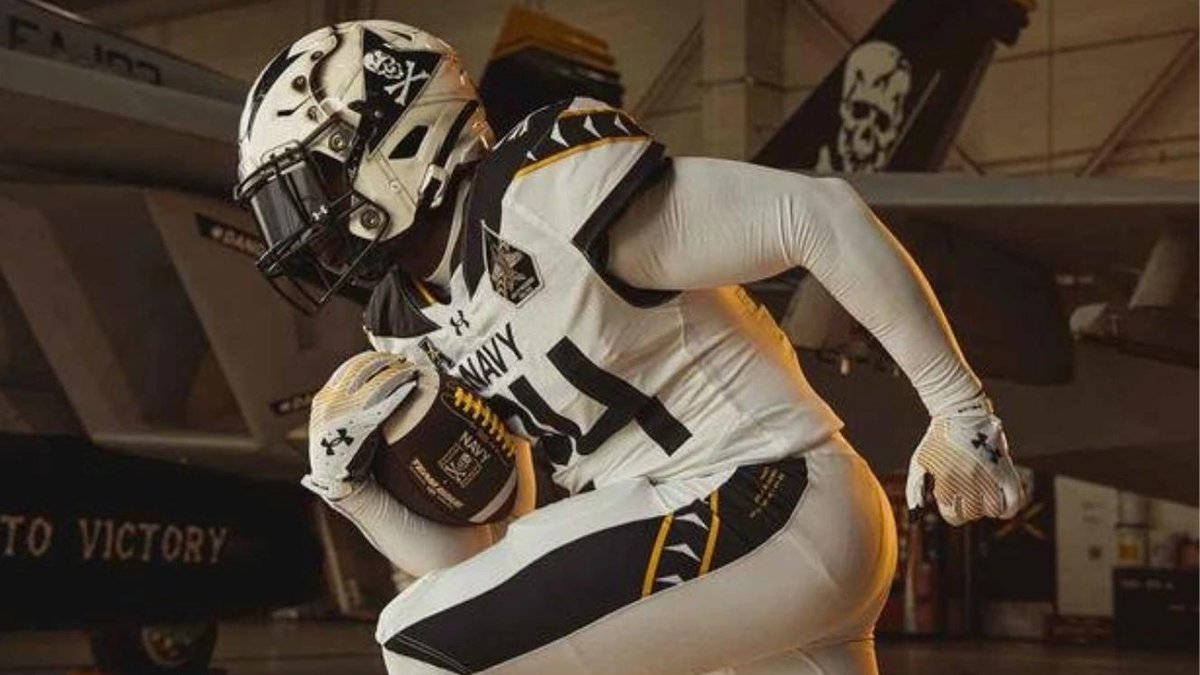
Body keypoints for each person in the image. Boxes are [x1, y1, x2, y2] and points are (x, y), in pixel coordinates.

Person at [235, 20, 1023, 675]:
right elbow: (479, 548)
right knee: (444, 623)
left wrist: (959, 410)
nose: (310, 224)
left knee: (421, 643)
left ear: (394, 140)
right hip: (745, 544)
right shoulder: (408, 318)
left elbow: (815, 213)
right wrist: (353, 488)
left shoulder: (539, 194)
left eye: (318, 184)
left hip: (765, 494)